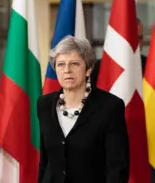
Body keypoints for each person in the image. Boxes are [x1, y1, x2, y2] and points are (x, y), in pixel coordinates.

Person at [37, 35, 129, 183]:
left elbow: (117, 167)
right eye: (60, 64)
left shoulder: (110, 106)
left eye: (74, 64)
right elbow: (45, 161)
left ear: (88, 69)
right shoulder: (44, 104)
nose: (67, 70)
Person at [91, 18, 147, 85]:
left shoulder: (149, 67)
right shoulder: (100, 68)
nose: (138, 43)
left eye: (140, 38)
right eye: (133, 38)